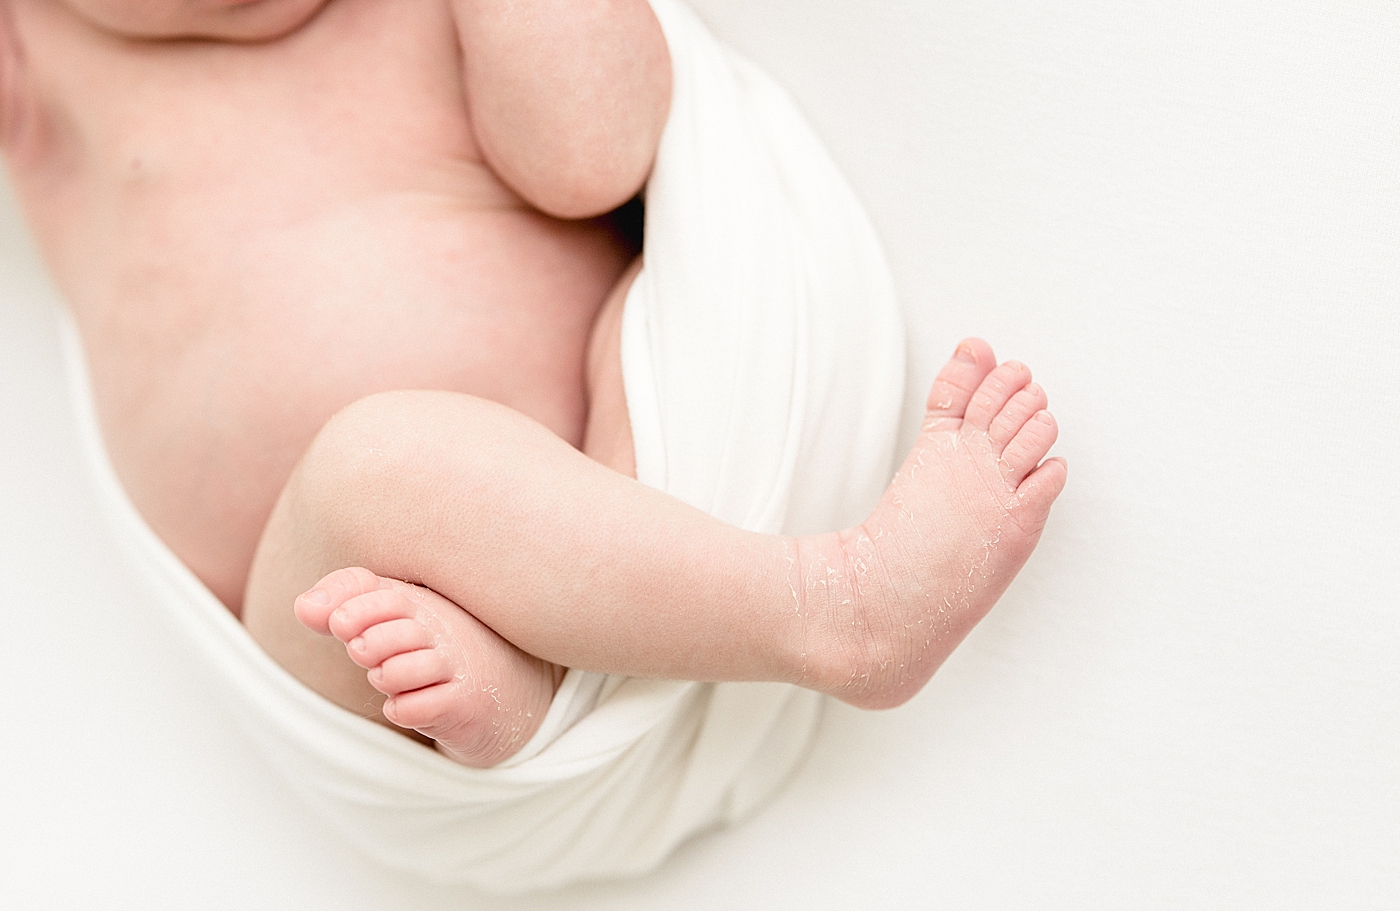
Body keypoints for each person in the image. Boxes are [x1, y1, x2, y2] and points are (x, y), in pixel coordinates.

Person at [0, 0, 1066, 768]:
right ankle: (820, 613)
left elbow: (594, 156)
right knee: (369, 474)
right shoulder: (38, 54)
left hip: (613, 470)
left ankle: (623, 650)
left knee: (469, 414)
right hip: (319, 615)